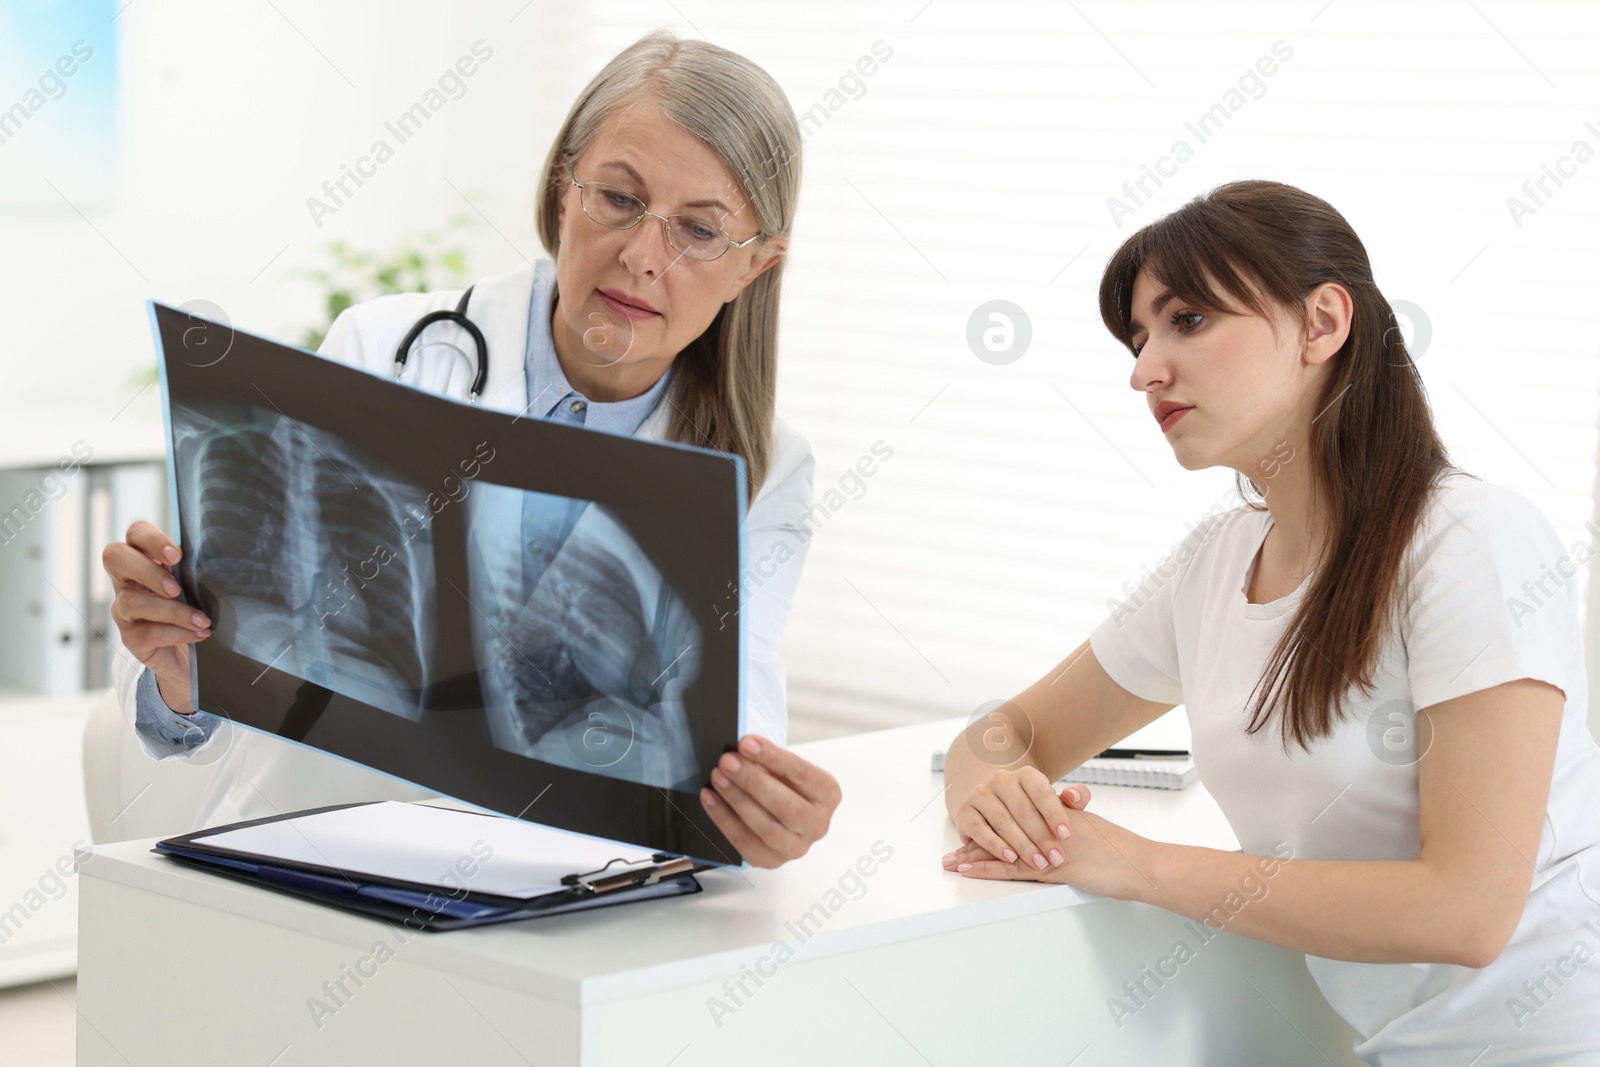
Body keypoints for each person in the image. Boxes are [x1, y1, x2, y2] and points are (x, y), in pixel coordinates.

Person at [102, 30, 840, 870]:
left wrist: (764, 810)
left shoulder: (768, 467)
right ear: (565, 188)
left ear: (756, 267)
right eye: (619, 200)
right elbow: (226, 675)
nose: (641, 257)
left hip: (553, 899)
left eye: (700, 231)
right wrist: (177, 678)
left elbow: (735, 716)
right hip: (308, 867)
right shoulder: (381, 348)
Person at [940, 179, 1600, 1062]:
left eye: (1187, 321)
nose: (1144, 370)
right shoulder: (1214, 565)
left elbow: (1468, 910)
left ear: (1324, 323)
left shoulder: (1473, 542)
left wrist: (1132, 861)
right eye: (1139, 339)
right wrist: (1005, 800)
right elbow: (1004, 732)